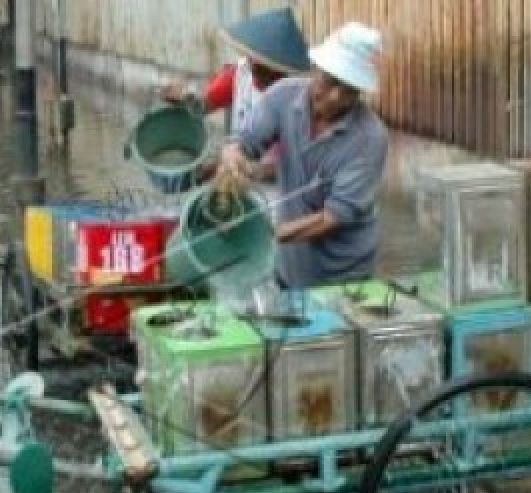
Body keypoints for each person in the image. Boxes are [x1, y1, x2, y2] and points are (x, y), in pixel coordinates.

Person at [219, 21, 388, 290]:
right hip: (291, 267)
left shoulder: (369, 138)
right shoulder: (282, 97)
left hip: (345, 277)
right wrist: (233, 158)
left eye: (349, 90)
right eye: (329, 81)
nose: (334, 97)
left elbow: (333, 217)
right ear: (316, 70)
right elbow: (243, 143)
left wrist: (267, 234)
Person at [161, 8, 309, 139]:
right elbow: (204, 105)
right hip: (235, 157)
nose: (255, 69)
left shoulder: (295, 95)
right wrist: (186, 98)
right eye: (253, 61)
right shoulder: (239, 74)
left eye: (264, 67)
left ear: (281, 70)